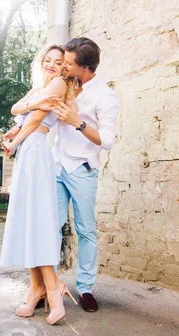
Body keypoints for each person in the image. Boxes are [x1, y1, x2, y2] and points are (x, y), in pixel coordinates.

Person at [0, 44, 78, 325]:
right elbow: (15, 108)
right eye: (48, 60)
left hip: (34, 152)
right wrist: (19, 124)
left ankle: (53, 290)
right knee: (28, 221)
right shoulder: (39, 88)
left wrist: (14, 143)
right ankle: (37, 289)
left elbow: (33, 121)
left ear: (64, 67)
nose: (52, 65)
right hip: (27, 152)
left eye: (58, 62)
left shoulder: (58, 84)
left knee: (37, 221)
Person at [51, 37, 120, 313]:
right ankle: (49, 285)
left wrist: (76, 121)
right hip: (56, 166)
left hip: (82, 169)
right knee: (51, 226)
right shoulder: (63, 84)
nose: (63, 66)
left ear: (86, 68)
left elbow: (107, 140)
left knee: (86, 230)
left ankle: (86, 288)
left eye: (69, 63)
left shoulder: (105, 96)